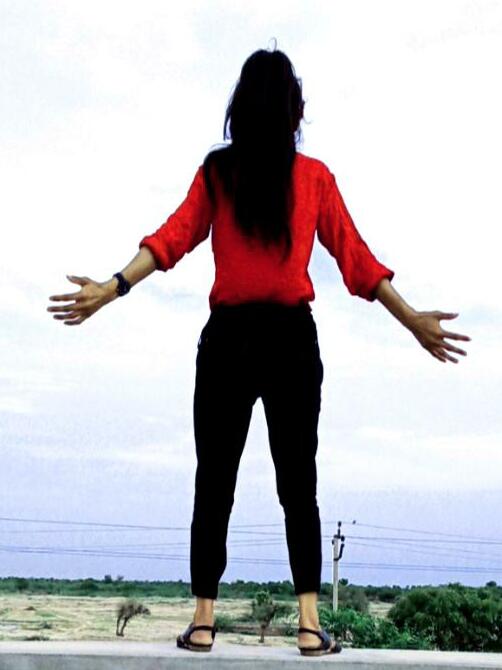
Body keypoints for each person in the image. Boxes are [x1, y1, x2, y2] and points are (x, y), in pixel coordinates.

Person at [47, 46, 471, 656]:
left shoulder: (223, 173)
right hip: (290, 341)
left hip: (229, 341)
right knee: (298, 485)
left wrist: (113, 287)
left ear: (239, 108)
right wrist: (410, 319)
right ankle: (309, 625)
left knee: (214, 482)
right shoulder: (305, 177)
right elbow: (355, 257)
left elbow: (172, 238)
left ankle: (202, 622)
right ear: (294, 111)